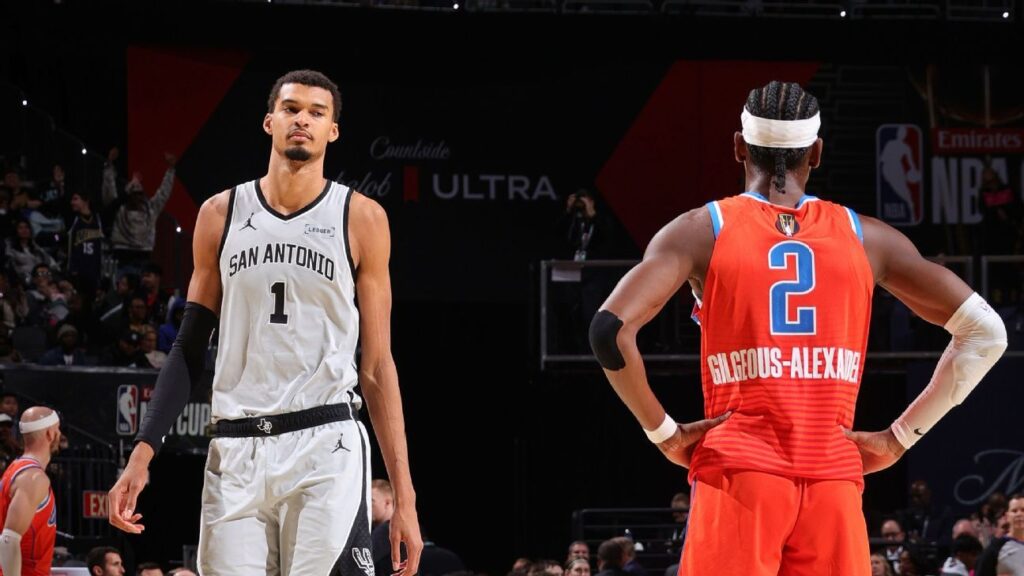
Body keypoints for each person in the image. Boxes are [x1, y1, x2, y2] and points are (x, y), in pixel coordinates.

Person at [589, 80, 1008, 576]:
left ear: (740, 147)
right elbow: (987, 334)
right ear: (817, 152)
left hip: (739, 475)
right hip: (833, 477)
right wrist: (898, 439)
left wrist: (664, 433)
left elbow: (609, 330)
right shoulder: (870, 239)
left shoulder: (701, 230)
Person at [106, 69, 423, 576]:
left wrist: (403, 499)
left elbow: (379, 364)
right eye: (292, 109)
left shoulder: (361, 217)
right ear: (269, 121)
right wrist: (142, 452)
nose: (303, 120)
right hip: (236, 447)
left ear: (332, 131)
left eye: (317, 113)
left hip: (326, 443)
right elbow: (189, 348)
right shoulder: (219, 213)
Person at [0, 407, 62, 576]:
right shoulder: (33, 478)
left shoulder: (15, 469)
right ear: (50, 434)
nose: (60, 434)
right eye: (58, 429)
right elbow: (8, 539)